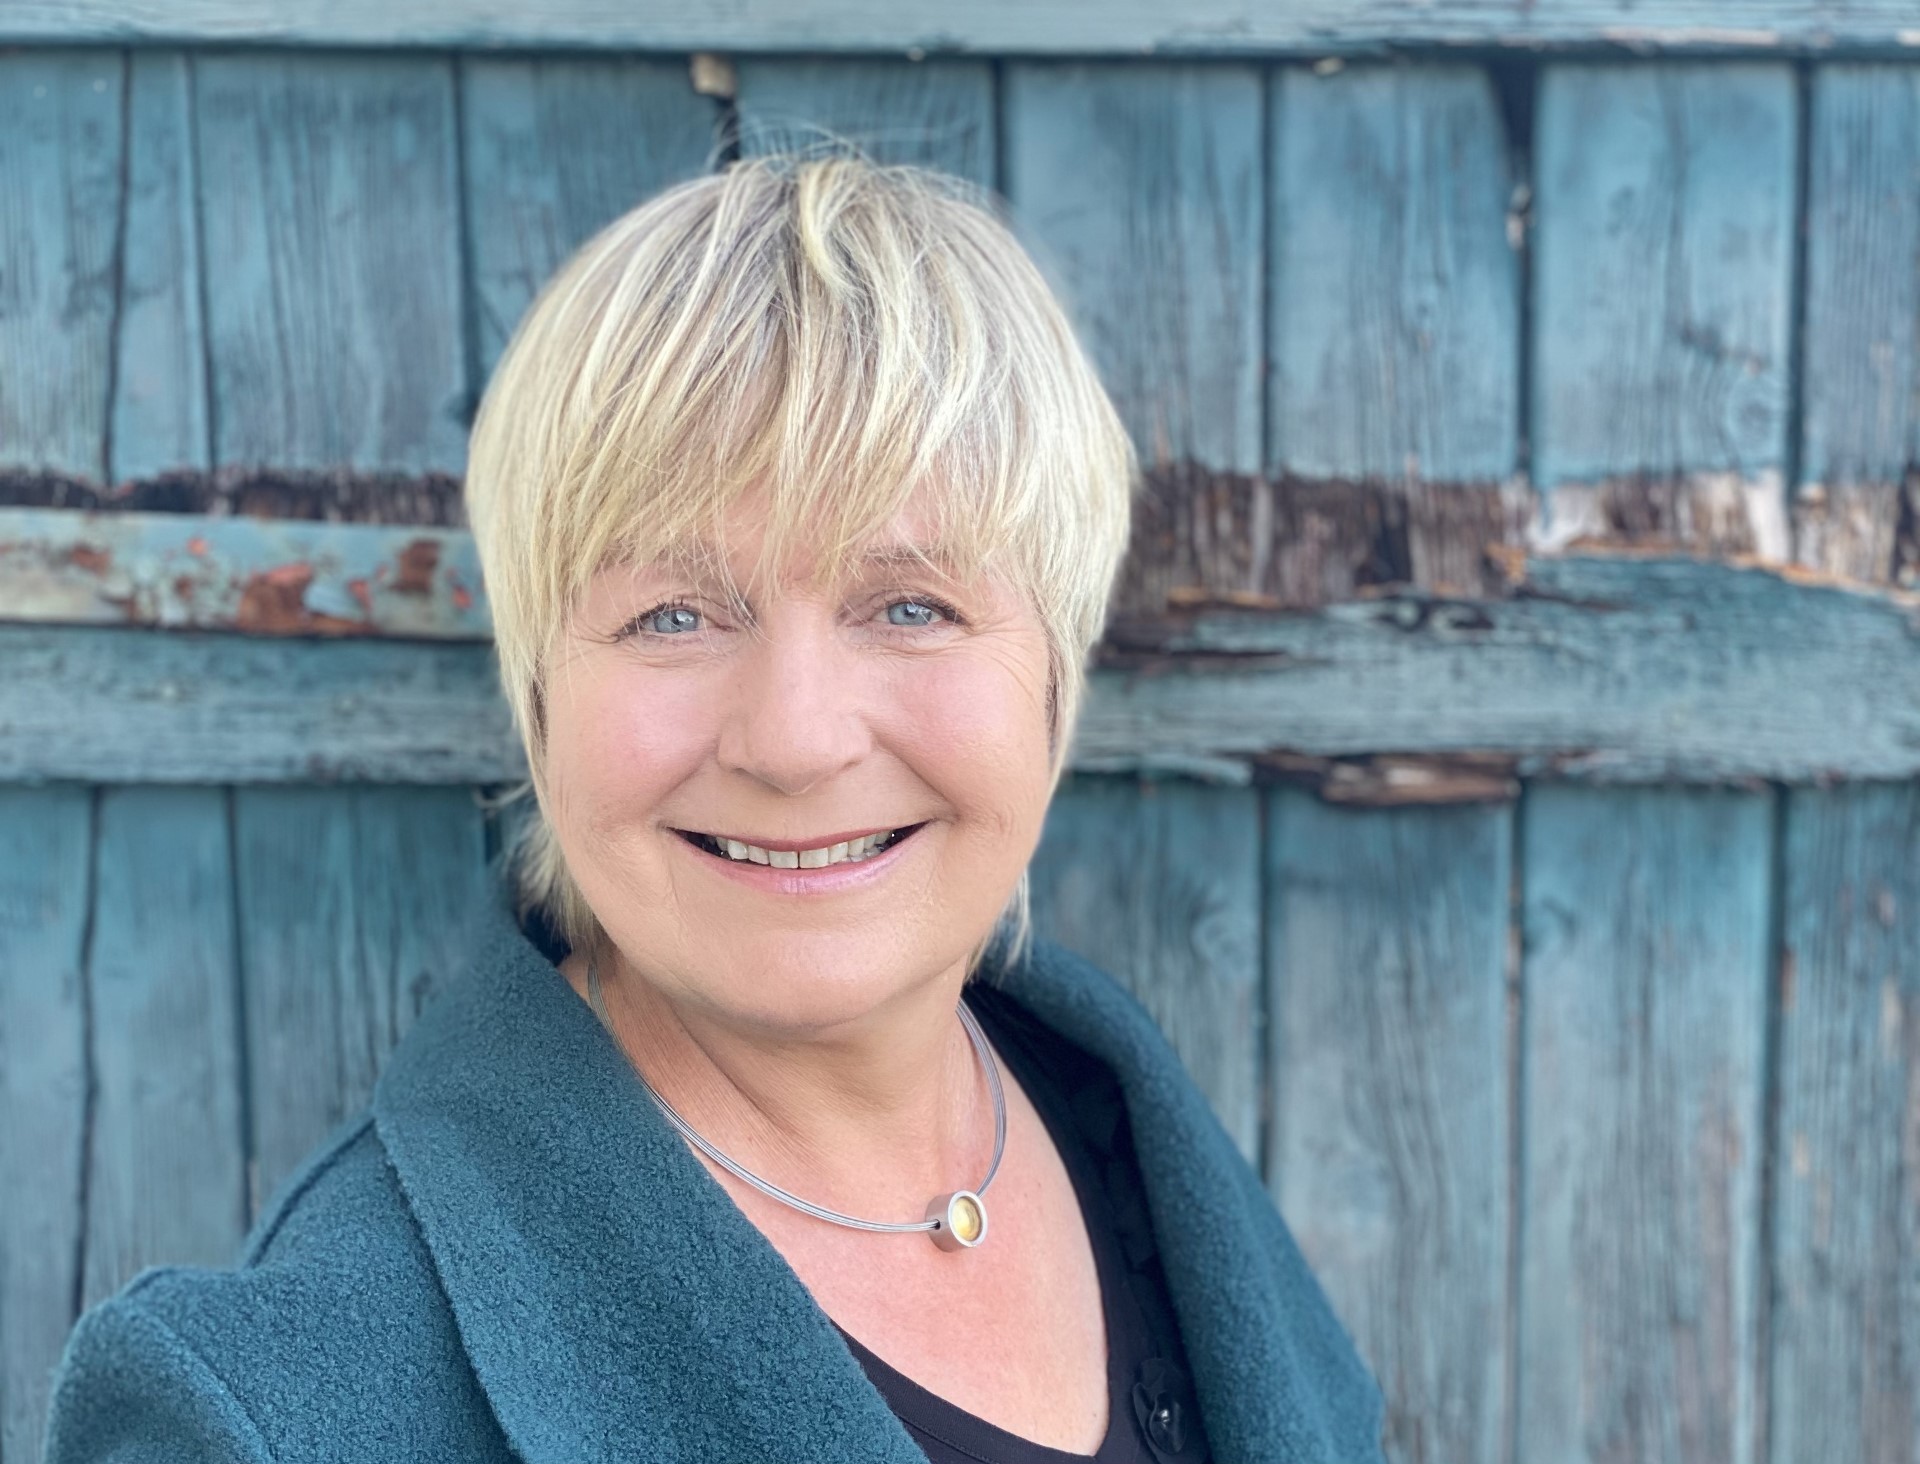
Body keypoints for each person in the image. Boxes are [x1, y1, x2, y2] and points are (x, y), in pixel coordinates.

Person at [42, 151, 1385, 1464]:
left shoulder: (1127, 1132)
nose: (794, 741)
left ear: (1054, 673)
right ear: (539, 696)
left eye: (912, 605)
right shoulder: (256, 1414)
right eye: (673, 615)